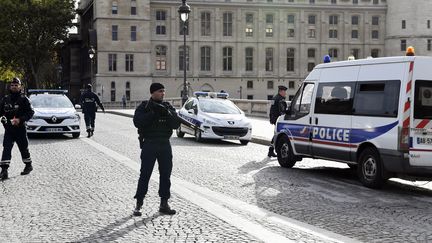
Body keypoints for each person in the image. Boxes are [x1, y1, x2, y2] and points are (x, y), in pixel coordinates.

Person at [132, 83, 180, 216]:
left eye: (164, 91)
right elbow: (137, 122)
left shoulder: (168, 107)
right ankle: (139, 203)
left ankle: (164, 203)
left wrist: (168, 113)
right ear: (152, 93)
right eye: (160, 91)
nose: (163, 93)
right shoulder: (145, 107)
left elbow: (176, 124)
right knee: (145, 174)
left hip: (165, 144)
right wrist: (153, 113)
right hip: (150, 144)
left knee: (166, 175)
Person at [0, 77, 35, 180]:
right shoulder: (5, 99)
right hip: (9, 129)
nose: (14, 87)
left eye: (16, 85)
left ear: (20, 87)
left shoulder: (24, 99)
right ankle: (4, 171)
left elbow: (31, 112)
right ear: (10, 87)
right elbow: (1, 112)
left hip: (20, 129)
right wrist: (3, 118)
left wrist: (20, 119)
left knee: (23, 148)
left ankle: (28, 165)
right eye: (12, 85)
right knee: (6, 148)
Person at [268, 85, 288, 157]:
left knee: (276, 134)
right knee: (278, 134)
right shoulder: (280, 100)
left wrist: (271, 119)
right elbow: (282, 111)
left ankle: (271, 150)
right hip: (278, 119)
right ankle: (272, 150)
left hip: (274, 118)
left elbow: (271, 109)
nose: (285, 93)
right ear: (281, 91)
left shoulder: (274, 98)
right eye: (284, 91)